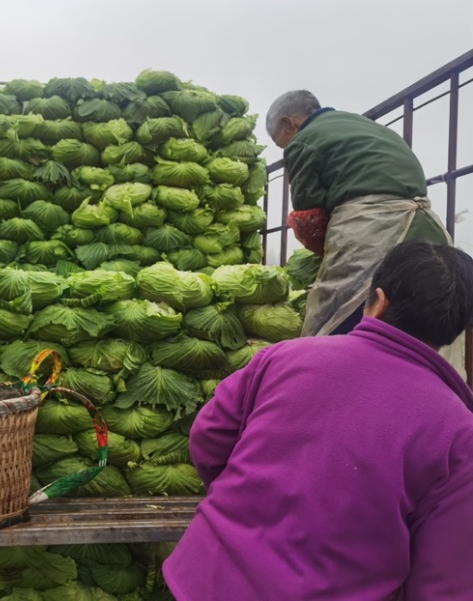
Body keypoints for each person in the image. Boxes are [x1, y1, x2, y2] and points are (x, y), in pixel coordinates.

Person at [163, 241, 473, 600]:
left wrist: (244, 507)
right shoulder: (459, 431)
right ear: (456, 329)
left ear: (379, 300)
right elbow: (445, 578)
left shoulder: (288, 356)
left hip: (207, 577)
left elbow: (209, 435)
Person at [265, 90, 450, 336]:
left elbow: (310, 217)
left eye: (283, 143)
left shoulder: (305, 139)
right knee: (415, 318)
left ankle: (332, 370)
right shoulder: (365, 125)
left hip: (373, 231)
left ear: (289, 122)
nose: (286, 149)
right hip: (428, 228)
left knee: (333, 314)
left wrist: (320, 253)